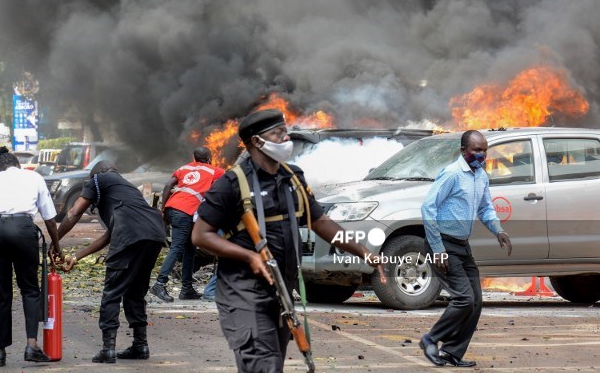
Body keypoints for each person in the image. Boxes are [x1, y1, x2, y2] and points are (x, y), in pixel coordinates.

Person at [192, 109, 385, 373]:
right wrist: (248, 256)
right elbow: (200, 236)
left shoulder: (293, 178)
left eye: (285, 132)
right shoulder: (232, 183)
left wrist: (363, 251)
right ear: (257, 141)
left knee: (270, 364)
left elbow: (320, 222)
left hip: (282, 290)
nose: (286, 139)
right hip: (242, 291)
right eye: (278, 134)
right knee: (263, 363)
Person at [57, 161, 166, 363]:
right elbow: (109, 235)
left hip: (132, 234)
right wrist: (76, 257)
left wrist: (55, 242)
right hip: (154, 234)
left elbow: (73, 213)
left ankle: (108, 349)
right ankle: (140, 346)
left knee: (112, 292)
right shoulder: (127, 189)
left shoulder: (99, 179)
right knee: (134, 291)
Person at [419, 130, 513, 368]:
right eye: (476, 150)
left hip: (462, 246)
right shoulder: (452, 174)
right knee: (464, 299)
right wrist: (438, 249)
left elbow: (485, 208)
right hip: (444, 245)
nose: (481, 155)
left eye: (484, 150)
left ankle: (452, 352)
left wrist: (498, 231)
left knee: (475, 301)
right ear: (464, 151)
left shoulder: (481, 176)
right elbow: (428, 208)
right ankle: (431, 339)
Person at [0, 146, 61, 367]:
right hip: (22, 229)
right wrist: (57, 245)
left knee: (0, 291)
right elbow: (49, 217)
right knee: (30, 289)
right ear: (17, 165)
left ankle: (0, 352)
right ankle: (31, 345)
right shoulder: (34, 177)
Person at [150, 147, 224, 302]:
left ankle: (186, 289)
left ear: (194, 158)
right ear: (210, 158)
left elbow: (167, 186)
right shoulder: (214, 171)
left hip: (173, 208)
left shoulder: (184, 168)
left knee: (190, 249)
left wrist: (163, 210)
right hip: (185, 212)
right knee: (177, 248)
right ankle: (159, 284)